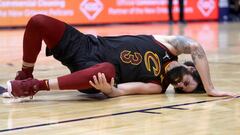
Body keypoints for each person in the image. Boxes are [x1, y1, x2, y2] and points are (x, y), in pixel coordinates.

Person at [4, 14, 237, 99]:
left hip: (95, 74)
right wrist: (210, 88)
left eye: (179, 89)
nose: (177, 84)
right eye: (185, 82)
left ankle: (33, 87)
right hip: (86, 44)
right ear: (192, 68)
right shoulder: (169, 45)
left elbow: (119, 91)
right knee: (38, 22)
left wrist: (108, 90)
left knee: (107, 70)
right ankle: (25, 74)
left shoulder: (156, 86)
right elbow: (195, 46)